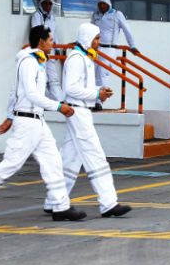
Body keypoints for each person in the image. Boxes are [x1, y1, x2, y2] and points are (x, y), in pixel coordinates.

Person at [0, 25, 87, 222]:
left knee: (53, 162)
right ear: (40, 41)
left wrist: (9, 116)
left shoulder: (38, 62)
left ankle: (61, 206)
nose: (52, 44)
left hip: (37, 121)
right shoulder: (29, 62)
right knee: (12, 163)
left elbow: (16, 91)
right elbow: (30, 94)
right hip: (28, 122)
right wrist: (58, 106)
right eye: (50, 40)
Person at [43, 22, 133, 218]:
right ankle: (108, 203)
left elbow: (77, 88)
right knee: (96, 157)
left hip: (80, 111)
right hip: (79, 112)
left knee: (70, 160)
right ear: (87, 38)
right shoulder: (77, 58)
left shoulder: (83, 57)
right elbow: (71, 88)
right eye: (97, 38)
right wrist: (96, 93)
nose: (99, 42)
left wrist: (98, 93)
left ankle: (53, 201)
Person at [91, 0, 139, 109]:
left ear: (108, 4)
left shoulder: (117, 14)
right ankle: (93, 100)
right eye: (100, 4)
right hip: (96, 49)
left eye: (104, 4)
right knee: (92, 74)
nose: (102, 6)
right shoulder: (95, 15)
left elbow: (127, 30)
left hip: (109, 49)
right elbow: (90, 30)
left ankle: (100, 102)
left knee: (103, 75)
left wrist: (132, 46)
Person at [31, 0, 63, 101]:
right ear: (41, 4)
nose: (48, 5)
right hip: (41, 50)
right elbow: (36, 32)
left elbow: (55, 33)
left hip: (51, 50)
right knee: (41, 75)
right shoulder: (37, 15)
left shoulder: (52, 17)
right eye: (45, 3)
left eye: (50, 3)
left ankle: (57, 98)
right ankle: (43, 98)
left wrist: (57, 48)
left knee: (52, 75)